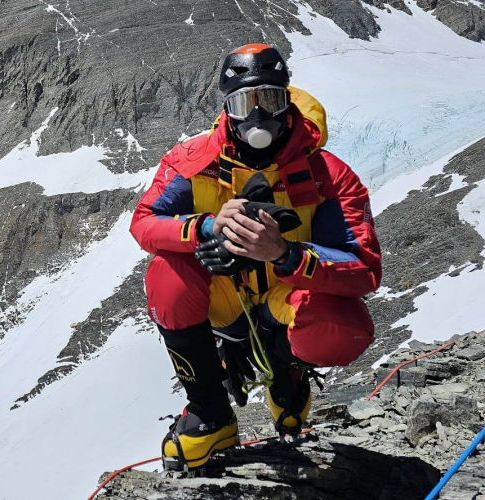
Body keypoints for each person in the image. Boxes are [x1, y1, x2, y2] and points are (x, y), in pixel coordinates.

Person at [129, 43, 382, 473]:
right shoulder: (192, 162)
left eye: (271, 98)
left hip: (288, 296)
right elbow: (144, 223)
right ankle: (210, 414)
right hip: (225, 297)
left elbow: (363, 269)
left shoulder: (329, 174)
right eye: (245, 102)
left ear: (288, 101)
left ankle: (287, 370)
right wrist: (206, 229)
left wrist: (285, 255)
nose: (258, 115)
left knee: (345, 329)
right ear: (227, 109)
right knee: (166, 275)